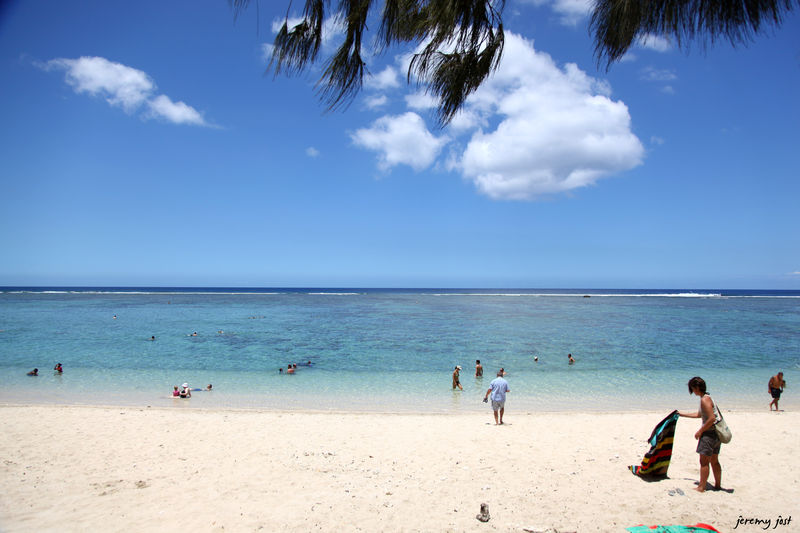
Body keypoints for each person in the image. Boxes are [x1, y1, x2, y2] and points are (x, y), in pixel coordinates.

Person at [678, 376, 722, 492]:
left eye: (692, 389)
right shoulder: (708, 397)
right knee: (714, 461)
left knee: (704, 462)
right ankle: (717, 485)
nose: (693, 392)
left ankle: (701, 487)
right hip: (716, 434)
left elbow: (711, 418)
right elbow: (699, 415)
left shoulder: (704, 400)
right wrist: (682, 414)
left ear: (697, 387)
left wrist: (700, 431)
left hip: (709, 434)